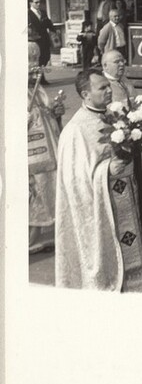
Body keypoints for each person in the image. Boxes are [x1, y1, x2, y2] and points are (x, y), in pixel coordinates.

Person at [54, 69, 142, 292]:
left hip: (127, 200)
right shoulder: (75, 130)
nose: (108, 90)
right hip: (102, 211)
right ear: (85, 94)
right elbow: (75, 183)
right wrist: (107, 170)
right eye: (102, 88)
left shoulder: (117, 115)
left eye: (108, 86)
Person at [28, 43, 64, 253]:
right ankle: (30, 239)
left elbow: (46, 114)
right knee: (34, 195)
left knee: (49, 191)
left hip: (49, 148)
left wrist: (55, 112)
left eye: (36, 64)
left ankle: (45, 235)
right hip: (30, 154)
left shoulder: (38, 89)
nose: (34, 71)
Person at [27, 0, 56, 77]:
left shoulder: (43, 12)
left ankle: (40, 76)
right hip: (35, 40)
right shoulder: (28, 14)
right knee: (38, 59)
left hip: (45, 39)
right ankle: (39, 78)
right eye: (36, 2)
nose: (38, 4)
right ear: (31, 3)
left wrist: (53, 30)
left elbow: (48, 23)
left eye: (40, 2)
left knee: (46, 57)